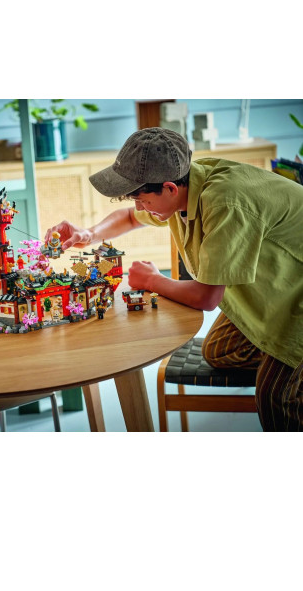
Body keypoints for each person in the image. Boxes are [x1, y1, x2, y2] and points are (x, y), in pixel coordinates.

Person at [45, 127, 303, 431]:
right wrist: (88, 234)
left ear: (169, 188)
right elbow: (129, 217)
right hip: (279, 286)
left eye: (143, 200)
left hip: (295, 300)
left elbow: (207, 298)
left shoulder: (226, 202)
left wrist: (153, 281)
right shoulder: (184, 185)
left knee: (275, 395)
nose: (139, 207)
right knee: (219, 351)